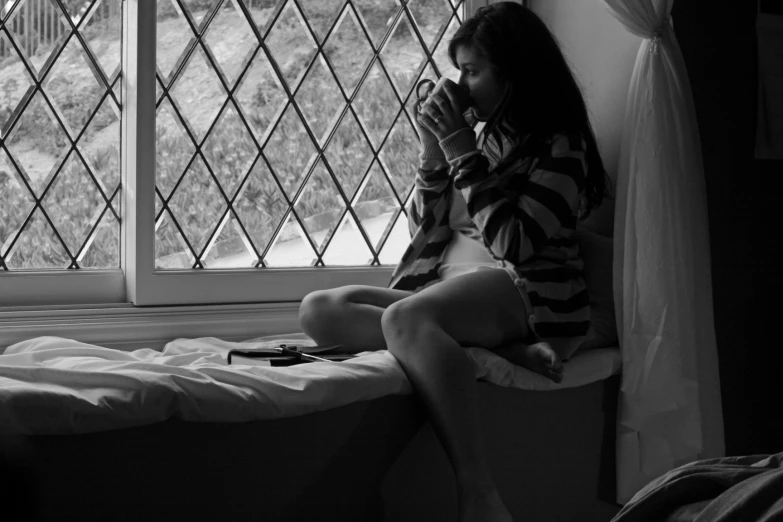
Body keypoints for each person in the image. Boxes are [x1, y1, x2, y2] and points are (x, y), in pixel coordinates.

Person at [298, 3, 612, 521]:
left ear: (515, 72)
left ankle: (478, 489)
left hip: (527, 289)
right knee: (319, 309)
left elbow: (516, 244)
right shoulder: (486, 137)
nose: (461, 85)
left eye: (472, 71)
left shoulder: (562, 145)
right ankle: (507, 348)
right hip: (462, 286)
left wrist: (462, 152)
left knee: (404, 318)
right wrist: (433, 153)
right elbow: (429, 227)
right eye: (459, 70)